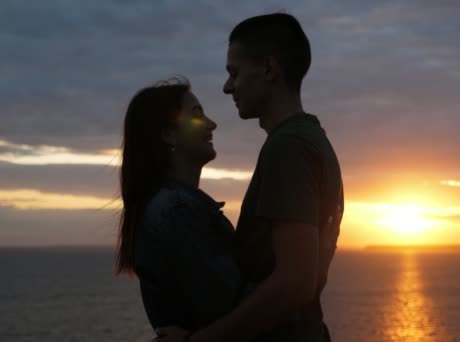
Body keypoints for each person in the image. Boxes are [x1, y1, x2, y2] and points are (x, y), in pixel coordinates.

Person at [157, 12, 344, 342]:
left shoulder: (289, 148)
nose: (227, 87)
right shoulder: (308, 139)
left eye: (234, 73)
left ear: (269, 70)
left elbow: (294, 283)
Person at [114, 79, 242, 332]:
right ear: (168, 134)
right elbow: (230, 302)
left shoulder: (174, 207)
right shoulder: (176, 210)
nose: (212, 124)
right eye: (197, 115)